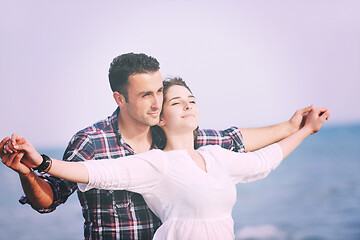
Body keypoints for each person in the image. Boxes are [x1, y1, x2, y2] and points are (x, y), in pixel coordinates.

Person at [1, 53, 314, 240]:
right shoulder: (92, 142)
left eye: (158, 92)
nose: (157, 102)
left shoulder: (181, 141)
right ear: (119, 99)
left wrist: (292, 127)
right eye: (145, 95)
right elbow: (49, 199)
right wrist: (33, 169)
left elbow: (237, 142)